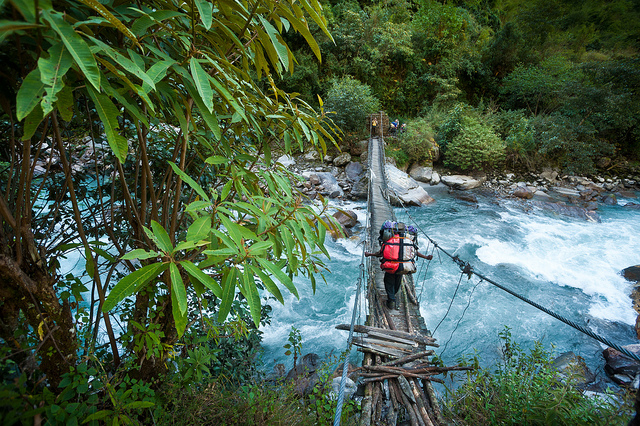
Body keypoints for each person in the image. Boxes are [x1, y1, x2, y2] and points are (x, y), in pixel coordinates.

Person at [365, 221, 432, 310]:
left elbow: (380, 253)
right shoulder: (408, 241)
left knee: (388, 282)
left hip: (390, 267)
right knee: (397, 281)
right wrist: (426, 257)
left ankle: (391, 300)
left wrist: (369, 254)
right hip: (404, 267)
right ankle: (393, 296)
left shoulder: (389, 240)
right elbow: (415, 252)